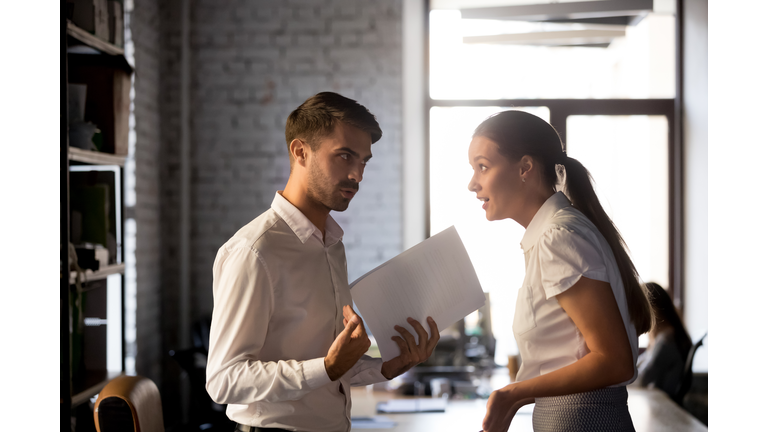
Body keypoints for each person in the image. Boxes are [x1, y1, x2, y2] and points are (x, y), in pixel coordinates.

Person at [205, 92, 440, 432]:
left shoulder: (331, 245)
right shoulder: (255, 251)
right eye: (345, 156)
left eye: (363, 161)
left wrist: (388, 367)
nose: (357, 174)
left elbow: (327, 369)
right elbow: (224, 381)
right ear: (300, 152)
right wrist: (328, 367)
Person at [466, 110, 653, 432]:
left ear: (525, 167)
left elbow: (614, 361)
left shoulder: (557, 238)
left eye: (483, 167)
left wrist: (513, 394)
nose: (473, 184)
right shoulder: (554, 234)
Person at [635, 282, 692, 398]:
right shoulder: (666, 337)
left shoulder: (666, 341)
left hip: (663, 404)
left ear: (653, 309)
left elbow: (642, 378)